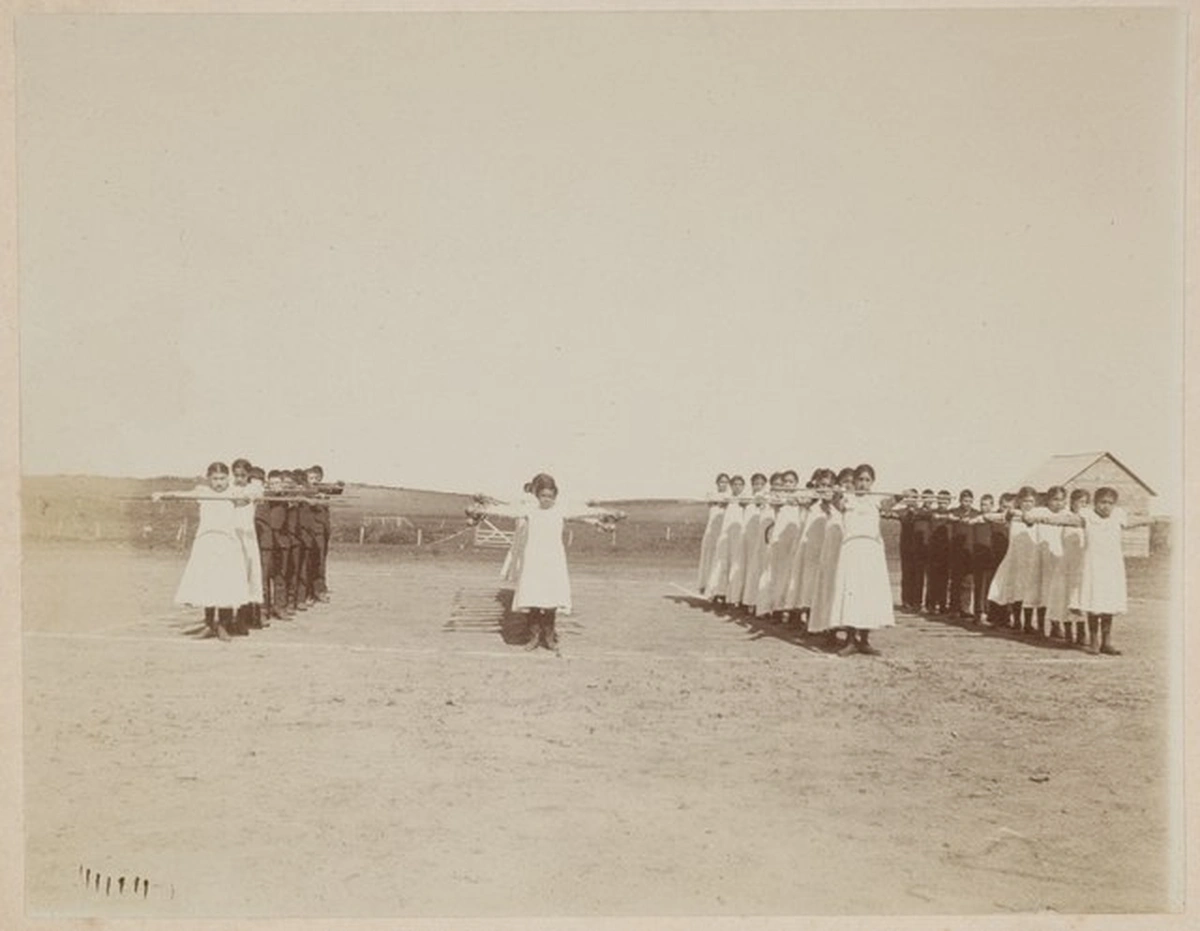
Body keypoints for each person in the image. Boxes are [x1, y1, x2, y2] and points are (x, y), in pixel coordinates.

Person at [467, 473, 622, 652]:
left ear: (555, 495)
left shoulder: (561, 510)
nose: (546, 500)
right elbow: (508, 511)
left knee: (551, 601)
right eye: (542, 496)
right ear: (537, 496)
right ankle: (533, 637)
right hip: (534, 560)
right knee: (533, 599)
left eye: (550, 496)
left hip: (554, 561)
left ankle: (549, 637)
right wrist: (483, 510)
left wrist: (606, 513)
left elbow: (585, 512)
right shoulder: (530, 510)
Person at [1025, 486, 1154, 655]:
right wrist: (1040, 519)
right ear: (1095, 503)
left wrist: (1155, 519)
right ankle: (1094, 641)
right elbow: (1063, 520)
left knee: (1109, 605)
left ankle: (1106, 642)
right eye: (1102, 502)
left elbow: (1138, 521)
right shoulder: (1087, 517)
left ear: (1114, 504)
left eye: (1110, 503)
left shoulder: (1118, 517)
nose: (1105, 506)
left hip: (1112, 567)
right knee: (1094, 604)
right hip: (1093, 566)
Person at [154, 462, 248, 642]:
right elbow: (181, 494)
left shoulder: (233, 493)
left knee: (224, 584)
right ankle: (209, 624)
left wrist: (249, 495)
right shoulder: (203, 492)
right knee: (208, 583)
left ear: (228, 478)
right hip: (207, 542)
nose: (218, 483)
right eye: (215, 479)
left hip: (227, 543)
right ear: (208, 478)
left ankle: (223, 626)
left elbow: (249, 496)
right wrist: (163, 495)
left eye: (222, 479)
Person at [826, 464, 896, 655]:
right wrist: (836, 492)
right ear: (854, 481)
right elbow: (835, 503)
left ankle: (864, 640)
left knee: (869, 594)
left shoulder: (877, 500)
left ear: (872, 483)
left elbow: (891, 503)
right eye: (860, 480)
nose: (863, 484)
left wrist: (900, 496)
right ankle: (850, 640)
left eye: (867, 480)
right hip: (852, 550)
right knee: (852, 593)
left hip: (872, 551)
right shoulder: (847, 500)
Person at [985, 486, 1041, 632]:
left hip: (1031, 558)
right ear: (1019, 501)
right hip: (1016, 558)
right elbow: (991, 516)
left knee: (1030, 590)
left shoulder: (1038, 515)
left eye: (1031, 501)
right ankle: (1016, 620)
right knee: (1016, 588)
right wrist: (1010, 513)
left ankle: (1028, 623)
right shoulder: (1013, 515)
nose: (1028, 504)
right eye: (1025, 501)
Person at [230, 458, 265, 632]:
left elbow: (253, 495)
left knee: (248, 576)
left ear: (249, 475)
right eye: (236, 475)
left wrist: (245, 495)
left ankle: (246, 618)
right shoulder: (229, 488)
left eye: (243, 475)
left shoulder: (254, 488)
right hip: (232, 537)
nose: (239, 478)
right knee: (233, 577)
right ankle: (229, 619)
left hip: (247, 538)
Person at [1030, 485, 1070, 639]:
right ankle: (1041, 627)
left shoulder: (1067, 514)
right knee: (1041, 592)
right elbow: (1027, 517)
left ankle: (1056, 625)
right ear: (1048, 500)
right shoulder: (1040, 512)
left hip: (1059, 558)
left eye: (1061, 500)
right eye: (1054, 499)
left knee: (1057, 594)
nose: (1058, 503)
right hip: (1043, 558)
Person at [706, 475, 747, 605]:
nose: (737, 487)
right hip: (726, 535)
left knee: (736, 563)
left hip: (739, 535)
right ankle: (720, 592)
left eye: (740, 484)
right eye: (734, 484)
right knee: (722, 561)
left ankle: (735, 595)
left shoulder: (745, 499)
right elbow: (713, 501)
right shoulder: (726, 498)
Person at [736, 473, 770, 613]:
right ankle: (746, 599)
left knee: (758, 569)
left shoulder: (767, 498)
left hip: (760, 538)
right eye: (756, 484)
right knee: (746, 568)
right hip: (748, 538)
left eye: (761, 484)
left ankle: (757, 602)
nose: (758, 486)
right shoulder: (748, 499)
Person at [1064, 488, 1091, 645]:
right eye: (1079, 501)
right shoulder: (1066, 516)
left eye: (1085, 502)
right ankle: (1068, 631)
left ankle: (1081, 631)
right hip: (1066, 563)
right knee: (1066, 598)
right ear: (1072, 502)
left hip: (1081, 564)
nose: (1082, 505)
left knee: (1080, 598)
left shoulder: (1088, 519)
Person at [697, 474, 731, 594]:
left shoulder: (730, 496)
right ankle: (705, 584)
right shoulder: (711, 494)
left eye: (726, 482)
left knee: (721, 558)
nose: (724, 484)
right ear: (717, 483)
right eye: (721, 482)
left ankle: (719, 588)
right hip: (712, 530)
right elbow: (710, 500)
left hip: (723, 531)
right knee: (709, 556)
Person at [947, 489, 977, 618]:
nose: (967, 503)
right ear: (960, 501)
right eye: (965, 501)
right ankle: (954, 608)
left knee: (968, 582)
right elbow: (948, 524)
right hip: (956, 552)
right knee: (955, 581)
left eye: (970, 501)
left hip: (970, 553)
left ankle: (965, 608)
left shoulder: (976, 514)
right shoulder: (954, 513)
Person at [968, 493, 997, 622]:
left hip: (991, 557)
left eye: (986, 504)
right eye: (982, 504)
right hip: (978, 556)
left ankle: (989, 611)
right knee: (979, 586)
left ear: (992, 505)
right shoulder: (976, 520)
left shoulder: (996, 520)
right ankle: (978, 613)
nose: (983, 507)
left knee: (990, 586)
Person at [925, 490, 953, 614]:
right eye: (940, 501)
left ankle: (942, 604)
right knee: (932, 579)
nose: (943, 503)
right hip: (934, 550)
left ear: (949, 502)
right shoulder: (932, 513)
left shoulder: (951, 515)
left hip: (946, 551)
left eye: (945, 501)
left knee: (944, 579)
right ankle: (930, 604)